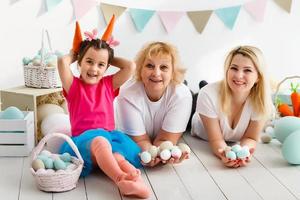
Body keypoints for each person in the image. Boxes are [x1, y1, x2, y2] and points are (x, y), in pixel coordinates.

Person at [57, 16, 150, 198]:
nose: (94, 68)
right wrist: (75, 53)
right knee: (100, 141)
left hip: (110, 139)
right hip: (84, 142)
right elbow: (62, 62)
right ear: (80, 63)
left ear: (107, 67)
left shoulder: (108, 85)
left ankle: (137, 184)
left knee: (118, 156)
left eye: (101, 65)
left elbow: (130, 66)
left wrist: (107, 55)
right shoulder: (73, 86)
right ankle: (120, 178)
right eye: (89, 61)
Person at [191, 46, 273, 168]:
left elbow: (251, 138)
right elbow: (216, 140)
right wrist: (225, 153)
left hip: (212, 99)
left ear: (258, 77)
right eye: (234, 68)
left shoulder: (262, 101)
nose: (239, 75)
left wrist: (244, 153)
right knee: (192, 97)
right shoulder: (207, 94)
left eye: (247, 70)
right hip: (197, 118)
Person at [116, 41, 193, 167]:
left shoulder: (182, 95)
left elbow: (165, 140)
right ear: (140, 69)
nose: (156, 73)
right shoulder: (126, 94)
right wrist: (152, 155)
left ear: (172, 72)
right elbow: (140, 140)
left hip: (177, 99)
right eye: (150, 66)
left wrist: (162, 153)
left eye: (164, 67)